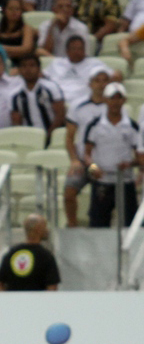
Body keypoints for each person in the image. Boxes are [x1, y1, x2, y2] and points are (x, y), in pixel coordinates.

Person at [83, 83, 142, 228]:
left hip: (125, 182)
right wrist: (93, 168)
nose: (115, 102)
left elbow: (140, 156)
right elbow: (86, 154)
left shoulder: (132, 126)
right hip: (102, 182)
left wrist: (130, 164)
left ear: (124, 100)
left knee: (130, 225)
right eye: (112, 98)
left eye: (118, 98)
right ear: (105, 100)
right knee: (98, 224)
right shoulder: (95, 125)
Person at [63, 67, 109, 227]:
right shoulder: (78, 106)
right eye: (97, 80)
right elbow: (69, 137)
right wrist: (75, 160)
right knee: (69, 192)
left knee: (101, 198)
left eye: (105, 80)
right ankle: (72, 225)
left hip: (104, 162)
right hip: (84, 161)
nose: (101, 85)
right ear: (90, 83)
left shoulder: (113, 107)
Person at [42, 35, 117, 105]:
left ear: (85, 50)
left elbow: (116, 75)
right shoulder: (57, 63)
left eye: (80, 49)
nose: (77, 52)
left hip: (83, 102)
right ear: (67, 51)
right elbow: (42, 76)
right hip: (56, 102)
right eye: (74, 49)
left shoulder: (94, 63)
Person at [0, 214, 60, 290]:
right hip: (37, 301)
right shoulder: (46, 256)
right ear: (38, 229)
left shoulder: (12, 253)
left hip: (13, 301)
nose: (47, 230)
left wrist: (7, 301)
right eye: (45, 227)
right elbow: (52, 287)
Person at [10, 55, 65, 144]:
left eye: (32, 65)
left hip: (53, 136)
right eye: (24, 66)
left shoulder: (51, 88)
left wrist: (48, 136)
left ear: (39, 69)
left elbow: (60, 114)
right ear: (19, 70)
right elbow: (17, 122)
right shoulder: (14, 95)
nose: (28, 69)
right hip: (29, 139)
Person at [0, 0, 35, 66]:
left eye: (17, 9)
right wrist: (17, 51)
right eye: (10, 9)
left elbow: (26, 49)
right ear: (4, 10)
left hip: (21, 65)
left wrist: (0, 48)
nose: (14, 12)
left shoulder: (26, 28)